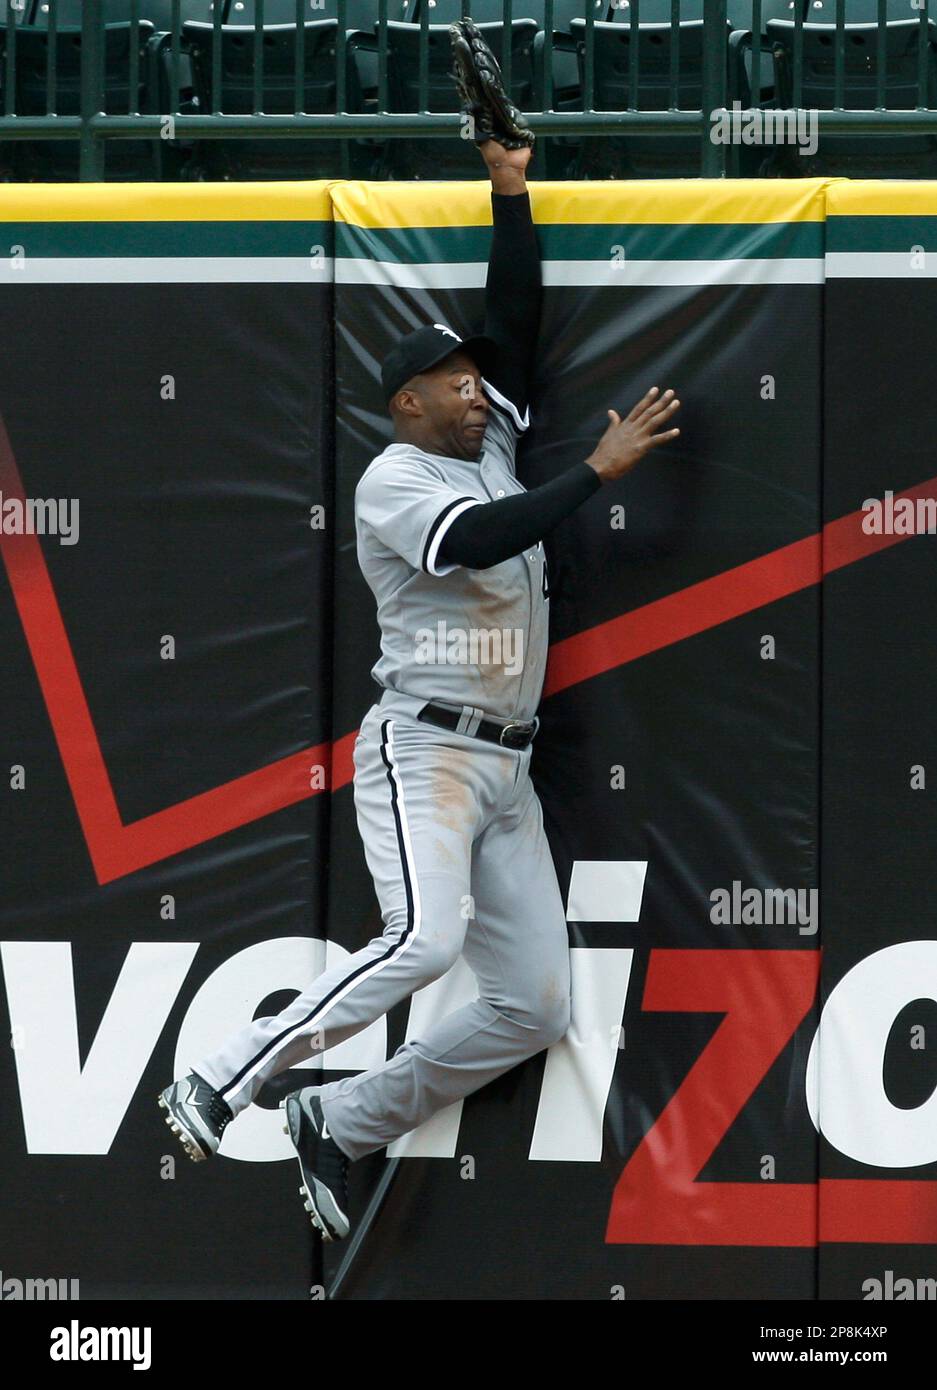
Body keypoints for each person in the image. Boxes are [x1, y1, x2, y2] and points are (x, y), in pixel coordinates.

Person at [158, 136, 680, 1243]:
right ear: (409, 399)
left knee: (533, 1001)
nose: (477, 391)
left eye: (477, 380)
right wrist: (595, 471)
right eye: (455, 381)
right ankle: (215, 1074)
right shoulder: (395, 478)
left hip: (507, 766)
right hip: (426, 749)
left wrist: (510, 189)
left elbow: (514, 324)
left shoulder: (487, 443)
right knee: (423, 941)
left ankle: (337, 1118)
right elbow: (488, 534)